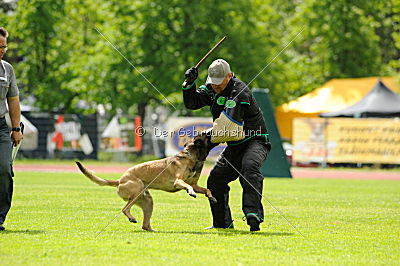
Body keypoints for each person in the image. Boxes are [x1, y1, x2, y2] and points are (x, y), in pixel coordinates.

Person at [182, 59, 271, 231]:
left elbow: (228, 128)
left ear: (229, 76)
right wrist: (188, 85)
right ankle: (222, 224)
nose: (216, 87)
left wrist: (204, 138)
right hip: (235, 145)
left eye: (220, 83)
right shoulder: (211, 87)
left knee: (249, 167)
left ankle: (253, 214)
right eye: (213, 83)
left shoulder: (240, 92)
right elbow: (192, 103)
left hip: (255, 140)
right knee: (215, 180)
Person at [0, 27, 22, 231]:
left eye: (4, 46)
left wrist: (16, 128)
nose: (2, 50)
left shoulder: (7, 69)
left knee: (5, 169)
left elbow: (13, 101)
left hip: (0, 126)